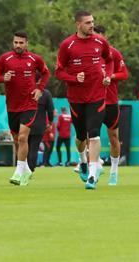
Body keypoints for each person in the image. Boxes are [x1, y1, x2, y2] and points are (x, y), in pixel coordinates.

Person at [55, 10, 113, 190]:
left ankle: (93, 175)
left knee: (94, 134)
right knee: (81, 137)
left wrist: (108, 76)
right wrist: (73, 78)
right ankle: (82, 162)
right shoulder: (67, 45)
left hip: (97, 95)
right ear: (78, 25)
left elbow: (109, 61)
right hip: (76, 98)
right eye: (88, 23)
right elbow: (58, 71)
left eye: (92, 22)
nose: (92, 25)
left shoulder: (100, 41)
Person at [0, 31, 50, 186]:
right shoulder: (5, 58)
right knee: (17, 139)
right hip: (12, 106)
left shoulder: (34, 59)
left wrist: (39, 89)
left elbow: (46, 73)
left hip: (29, 104)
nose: (18, 45)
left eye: (21, 42)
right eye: (15, 42)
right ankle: (27, 171)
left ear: (26, 43)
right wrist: (3, 78)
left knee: (23, 137)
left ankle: (18, 171)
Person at [93, 25, 129, 186]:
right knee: (90, 136)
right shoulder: (88, 53)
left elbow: (124, 74)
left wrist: (111, 76)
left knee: (113, 137)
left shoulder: (113, 53)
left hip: (111, 102)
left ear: (105, 37)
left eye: (101, 37)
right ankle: (95, 165)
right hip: (93, 101)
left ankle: (114, 170)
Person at [27, 88, 55, 172]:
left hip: (25, 123)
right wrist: (50, 122)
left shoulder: (26, 90)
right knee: (34, 148)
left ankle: (22, 167)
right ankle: (30, 169)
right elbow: (50, 110)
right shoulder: (45, 93)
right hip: (39, 125)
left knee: (25, 146)